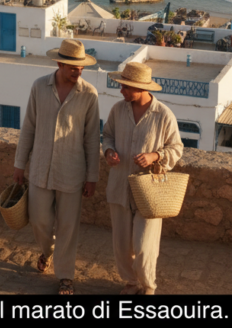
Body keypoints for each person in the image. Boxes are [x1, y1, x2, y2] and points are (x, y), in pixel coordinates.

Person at [14, 39, 100, 296]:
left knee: (68, 227)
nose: (78, 71)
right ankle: (47, 251)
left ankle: (65, 277)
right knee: (39, 220)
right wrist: (20, 164)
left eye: (81, 67)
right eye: (73, 67)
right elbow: (28, 126)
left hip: (72, 172)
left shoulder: (89, 95)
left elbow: (92, 138)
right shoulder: (39, 87)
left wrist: (92, 177)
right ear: (60, 63)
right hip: (40, 169)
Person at [102, 62, 183, 296]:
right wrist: (108, 152)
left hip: (149, 194)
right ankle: (131, 283)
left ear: (140, 88)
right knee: (121, 246)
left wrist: (155, 156)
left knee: (145, 246)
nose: (121, 91)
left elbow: (176, 148)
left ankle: (148, 286)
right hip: (119, 187)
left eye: (126, 87)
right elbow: (107, 136)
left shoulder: (164, 115)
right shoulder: (118, 110)